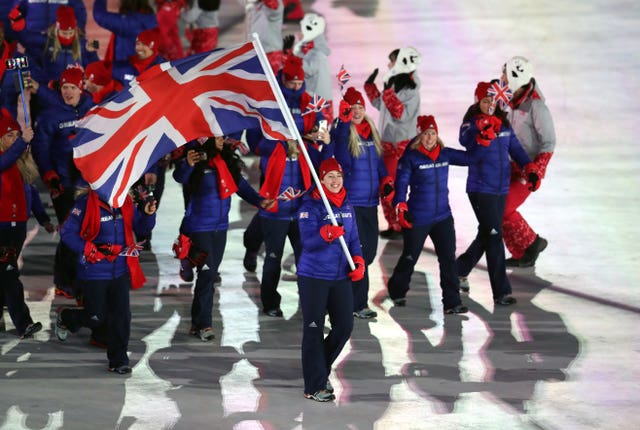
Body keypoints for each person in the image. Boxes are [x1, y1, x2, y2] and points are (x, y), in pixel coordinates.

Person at [173, 136, 273, 340]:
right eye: (217, 138)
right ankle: (205, 325)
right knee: (208, 274)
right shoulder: (196, 160)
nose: (222, 140)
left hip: (220, 229)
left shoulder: (226, 161)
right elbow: (179, 177)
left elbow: (241, 187)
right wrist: (187, 164)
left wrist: (260, 201)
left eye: (222, 137)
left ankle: (196, 322)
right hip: (199, 228)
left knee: (208, 275)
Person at [55, 187, 157, 374]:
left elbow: (141, 228)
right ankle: (66, 316)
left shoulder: (126, 203)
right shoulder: (85, 203)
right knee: (97, 317)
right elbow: (67, 232)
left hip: (120, 271)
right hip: (94, 272)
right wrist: (89, 250)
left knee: (122, 316)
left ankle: (118, 361)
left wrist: (148, 215)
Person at [455, 82, 540, 305]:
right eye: (485, 101)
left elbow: (517, 150)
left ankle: (458, 270)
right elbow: (464, 140)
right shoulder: (471, 123)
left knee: (487, 233)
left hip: (500, 189)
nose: (489, 105)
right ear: (478, 102)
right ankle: (501, 292)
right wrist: (481, 128)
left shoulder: (503, 124)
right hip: (480, 189)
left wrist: (530, 169)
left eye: (492, 101)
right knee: (493, 236)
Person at [242, 55, 327, 273]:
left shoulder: (309, 103)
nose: (296, 87)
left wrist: (317, 135)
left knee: (291, 211)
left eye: (299, 83)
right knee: (269, 209)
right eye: (292, 83)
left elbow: (321, 128)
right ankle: (252, 245)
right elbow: (255, 134)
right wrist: (269, 150)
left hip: (301, 166)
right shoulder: (269, 102)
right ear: (283, 80)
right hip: (273, 166)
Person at [296, 157, 365, 402]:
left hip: (340, 277)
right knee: (313, 329)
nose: (335, 181)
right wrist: (325, 233)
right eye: (330, 177)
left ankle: (318, 369)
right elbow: (308, 243)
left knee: (345, 326)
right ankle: (314, 385)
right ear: (321, 180)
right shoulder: (310, 206)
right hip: (313, 277)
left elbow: (354, 239)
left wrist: (358, 260)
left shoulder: (347, 204)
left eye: (338, 176)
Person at [386, 115, 468, 314]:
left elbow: (471, 158)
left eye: (432, 133)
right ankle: (397, 290)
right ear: (419, 135)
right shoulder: (411, 158)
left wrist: (484, 141)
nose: (430, 138)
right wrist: (401, 206)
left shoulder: (445, 154)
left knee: (448, 258)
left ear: (437, 135)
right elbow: (401, 185)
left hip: (442, 217)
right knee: (410, 256)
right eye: (425, 134)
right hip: (419, 217)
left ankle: (452, 302)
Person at [31, 66, 94, 298]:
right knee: (70, 232)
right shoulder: (50, 115)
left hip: (87, 183)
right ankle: (64, 281)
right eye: (64, 87)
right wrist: (50, 175)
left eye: (72, 88)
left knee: (86, 232)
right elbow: (41, 150)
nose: (68, 92)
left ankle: (78, 277)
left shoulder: (93, 109)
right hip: (64, 185)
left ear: (81, 88)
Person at [330, 87, 393, 319]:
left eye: (360, 107)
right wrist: (345, 126)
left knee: (367, 254)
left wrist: (386, 180)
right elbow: (343, 163)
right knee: (357, 254)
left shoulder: (370, 131)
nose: (357, 111)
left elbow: (378, 164)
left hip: (369, 203)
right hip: (351, 203)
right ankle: (357, 304)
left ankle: (350, 301)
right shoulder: (343, 131)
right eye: (352, 108)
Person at [0, 109, 54, 339]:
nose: (14, 138)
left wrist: (43, 219)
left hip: (18, 227)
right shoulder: (5, 160)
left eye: (16, 134)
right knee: (9, 273)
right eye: (10, 135)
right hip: (2, 228)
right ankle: (23, 323)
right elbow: (5, 160)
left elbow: (31, 195)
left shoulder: (21, 164)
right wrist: (22, 141)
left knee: (3, 273)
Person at [501, 56, 556, 267]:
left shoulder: (536, 107)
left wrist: (536, 170)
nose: (501, 77)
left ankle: (532, 243)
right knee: (496, 207)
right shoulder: (505, 100)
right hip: (507, 166)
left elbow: (549, 142)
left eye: (505, 73)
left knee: (504, 207)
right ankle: (521, 252)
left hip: (526, 169)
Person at [364, 47, 421, 238]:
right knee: (387, 186)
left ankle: (401, 223)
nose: (388, 65)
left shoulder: (411, 89)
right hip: (387, 142)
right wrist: (370, 87)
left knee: (390, 186)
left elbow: (400, 115)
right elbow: (383, 106)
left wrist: (388, 90)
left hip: (399, 146)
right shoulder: (397, 83)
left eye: (391, 61)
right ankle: (395, 224)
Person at [286, 12, 333, 122]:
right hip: (317, 100)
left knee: (318, 134)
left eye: (303, 30)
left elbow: (305, 71)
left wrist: (290, 55)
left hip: (317, 102)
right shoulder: (312, 51)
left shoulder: (316, 54)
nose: (300, 33)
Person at [93, 0, 157, 63]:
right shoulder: (154, 20)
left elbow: (99, 15)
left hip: (128, 68)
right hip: (150, 68)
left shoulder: (127, 22)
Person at [244, 0, 284, 74]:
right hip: (255, 50)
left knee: (269, 82)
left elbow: (274, 8)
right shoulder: (255, 4)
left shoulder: (274, 4)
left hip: (270, 53)